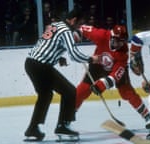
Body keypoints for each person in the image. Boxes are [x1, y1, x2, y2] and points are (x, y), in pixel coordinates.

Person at [24, 8, 97, 141]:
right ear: (73, 20)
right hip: (41, 66)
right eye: (79, 24)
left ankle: (33, 128)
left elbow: (46, 44)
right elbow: (74, 55)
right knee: (69, 91)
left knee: (45, 95)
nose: (79, 27)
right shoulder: (66, 31)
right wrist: (91, 59)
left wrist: (58, 57)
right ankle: (63, 126)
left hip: (31, 63)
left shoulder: (54, 25)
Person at [75, 24, 150, 130]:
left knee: (127, 93)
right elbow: (82, 28)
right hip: (97, 66)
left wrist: (101, 85)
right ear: (112, 37)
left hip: (114, 69)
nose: (121, 44)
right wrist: (76, 35)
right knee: (82, 90)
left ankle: (147, 116)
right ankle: (68, 117)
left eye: (123, 41)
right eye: (119, 41)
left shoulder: (123, 52)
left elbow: (114, 76)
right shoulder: (102, 35)